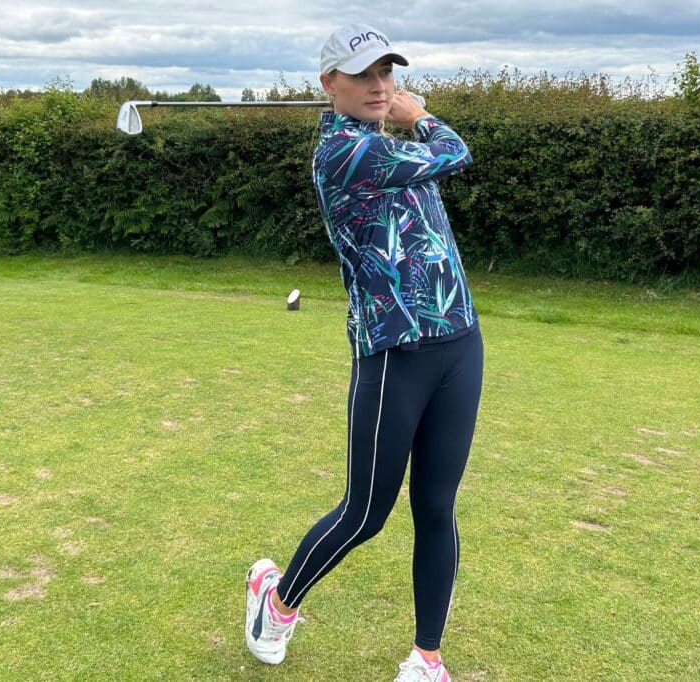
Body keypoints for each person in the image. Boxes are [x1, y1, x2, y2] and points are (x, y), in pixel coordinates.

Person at [244, 23, 483, 682]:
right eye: (363, 75)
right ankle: (276, 604)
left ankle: (427, 659)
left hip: (459, 341)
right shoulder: (344, 153)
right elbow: (455, 152)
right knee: (365, 514)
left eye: (387, 73)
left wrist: (403, 122)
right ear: (330, 84)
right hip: (393, 351)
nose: (380, 86)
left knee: (436, 508)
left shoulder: (384, 144)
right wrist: (419, 115)